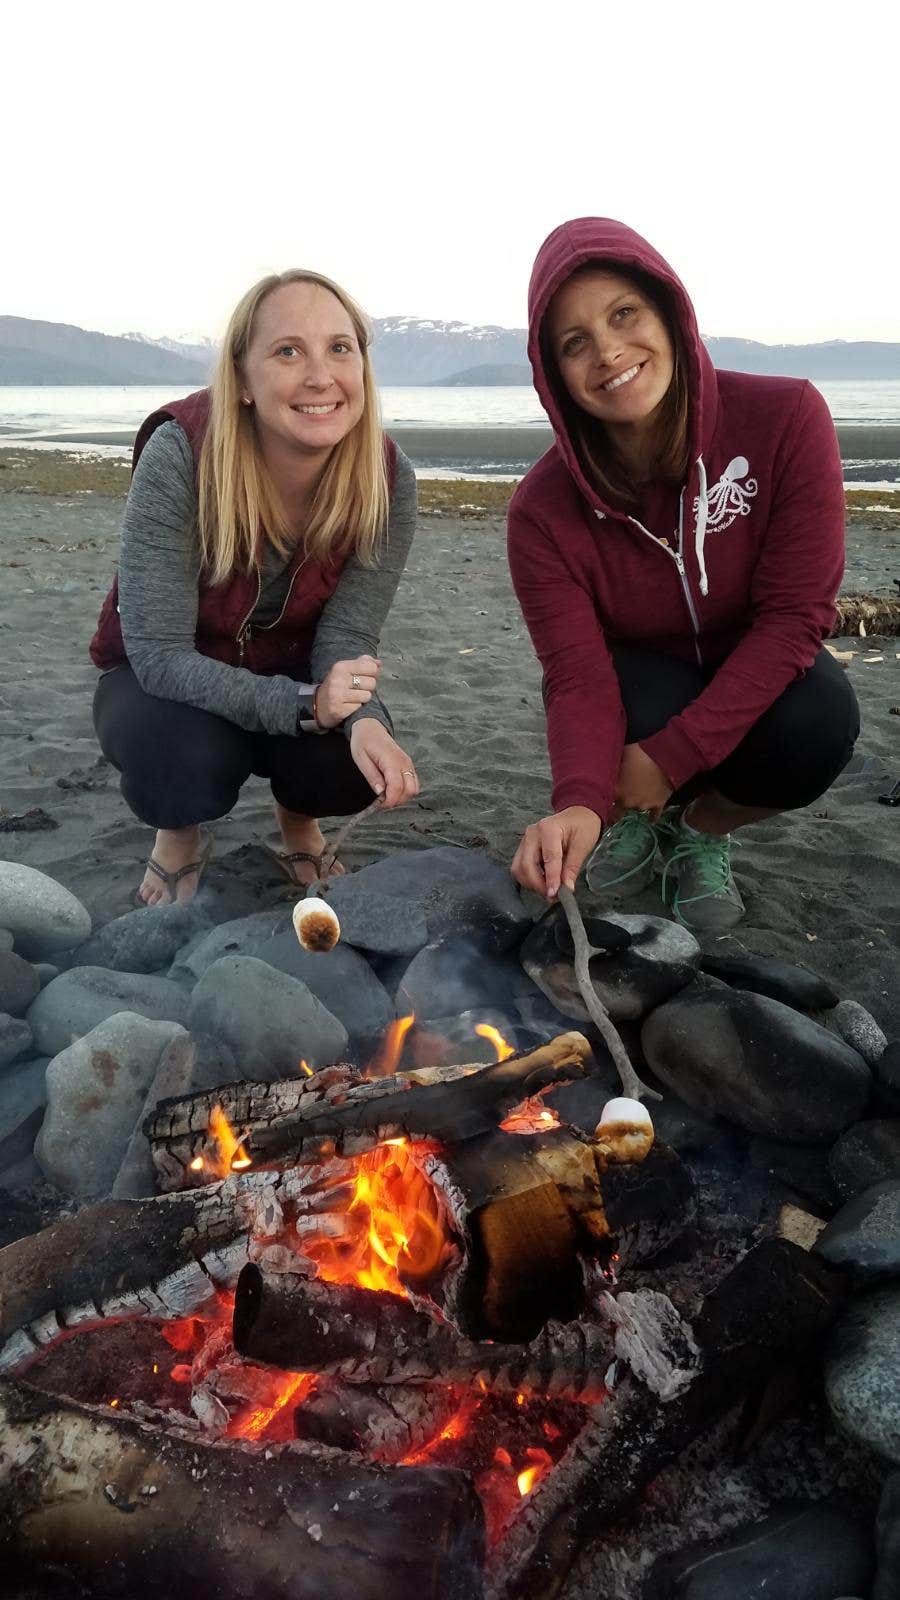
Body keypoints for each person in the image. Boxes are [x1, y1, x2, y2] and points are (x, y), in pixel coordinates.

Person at [508, 218, 859, 932]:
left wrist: (671, 761)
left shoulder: (787, 417)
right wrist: (579, 799)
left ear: (670, 313)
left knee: (821, 721)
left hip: (756, 670)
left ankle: (698, 827)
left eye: (624, 314)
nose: (608, 351)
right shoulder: (540, 512)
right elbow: (576, 675)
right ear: (555, 377)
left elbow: (796, 617)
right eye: (575, 343)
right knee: (610, 698)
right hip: (643, 687)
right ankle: (635, 814)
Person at [90, 269, 419, 904]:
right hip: (169, 681)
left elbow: (348, 633)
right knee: (173, 763)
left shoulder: (387, 480)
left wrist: (364, 720)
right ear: (242, 379)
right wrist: (301, 706)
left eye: (340, 348)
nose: (320, 376)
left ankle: (299, 819)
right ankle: (178, 835)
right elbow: (158, 655)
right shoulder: (181, 453)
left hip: (294, 672)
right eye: (288, 350)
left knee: (352, 762)